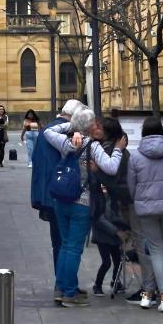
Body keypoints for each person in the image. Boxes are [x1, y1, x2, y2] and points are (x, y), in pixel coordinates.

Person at [44, 104, 127, 307]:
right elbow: (111, 167)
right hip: (81, 202)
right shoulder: (93, 145)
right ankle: (69, 293)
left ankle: (62, 288)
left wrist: (70, 128)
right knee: (73, 248)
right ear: (90, 126)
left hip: (61, 199)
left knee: (64, 245)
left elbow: (48, 131)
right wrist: (117, 150)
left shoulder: (66, 143)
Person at [127, 116, 163, 314]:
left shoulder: (135, 156)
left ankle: (160, 296)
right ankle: (152, 294)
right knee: (160, 247)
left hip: (146, 210)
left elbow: (131, 186)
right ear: (162, 131)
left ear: (143, 132)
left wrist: (141, 199)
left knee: (156, 250)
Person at [31, 99, 81, 280]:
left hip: (47, 193)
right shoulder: (66, 132)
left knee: (59, 243)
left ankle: (64, 284)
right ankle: (64, 285)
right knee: (65, 244)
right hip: (61, 194)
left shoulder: (48, 129)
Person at [90, 117, 130, 295]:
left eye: (100, 128)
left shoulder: (110, 150)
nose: (96, 129)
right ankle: (109, 283)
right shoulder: (109, 149)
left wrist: (98, 173)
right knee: (110, 259)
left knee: (115, 257)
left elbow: (112, 177)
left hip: (112, 203)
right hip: (111, 208)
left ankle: (114, 282)